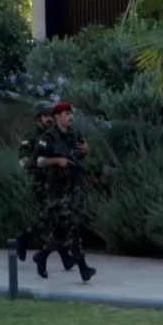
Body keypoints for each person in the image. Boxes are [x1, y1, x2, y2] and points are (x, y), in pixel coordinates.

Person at [32, 101, 96, 283]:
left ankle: (42, 256)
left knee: (61, 231)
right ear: (57, 117)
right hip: (57, 191)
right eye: (66, 114)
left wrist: (87, 150)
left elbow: (81, 154)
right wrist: (56, 161)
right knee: (73, 227)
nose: (70, 117)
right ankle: (83, 268)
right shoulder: (47, 137)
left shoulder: (76, 135)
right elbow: (38, 161)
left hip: (73, 188)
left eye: (71, 114)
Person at [14, 103, 55, 264]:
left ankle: (67, 256)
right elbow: (24, 161)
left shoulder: (54, 135)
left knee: (57, 219)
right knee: (49, 218)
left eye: (51, 116)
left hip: (56, 181)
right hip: (40, 182)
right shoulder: (30, 136)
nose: (49, 119)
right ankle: (24, 238)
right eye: (45, 116)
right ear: (38, 119)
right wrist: (41, 162)